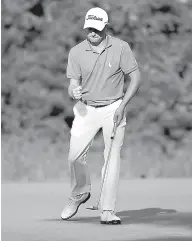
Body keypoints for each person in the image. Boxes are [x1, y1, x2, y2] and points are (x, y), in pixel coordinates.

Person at [61, 7, 141, 225]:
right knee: (74, 156)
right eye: (89, 28)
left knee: (112, 159)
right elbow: (72, 83)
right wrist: (73, 90)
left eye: (96, 29)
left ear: (105, 26)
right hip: (85, 108)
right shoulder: (76, 52)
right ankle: (80, 193)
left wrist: (123, 105)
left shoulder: (121, 48)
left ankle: (107, 210)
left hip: (113, 108)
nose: (92, 33)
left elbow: (135, 78)